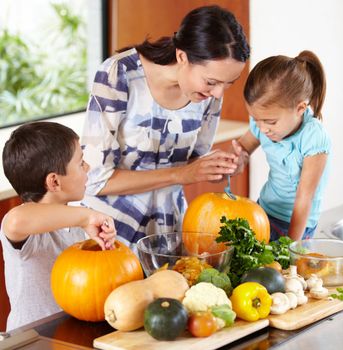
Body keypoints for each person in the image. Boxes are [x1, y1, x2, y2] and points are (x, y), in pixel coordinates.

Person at [81, 5, 250, 250]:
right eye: (212, 82)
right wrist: (180, 175)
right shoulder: (119, 74)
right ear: (182, 57)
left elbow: (193, 163)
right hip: (107, 234)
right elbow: (95, 180)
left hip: (166, 235)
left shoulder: (209, 94)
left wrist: (218, 167)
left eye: (228, 84)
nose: (218, 92)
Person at [0, 121, 116, 331]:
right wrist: (86, 217)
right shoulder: (29, 232)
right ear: (54, 182)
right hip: (31, 342)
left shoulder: (79, 217)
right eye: (81, 163)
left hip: (70, 334)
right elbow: (15, 220)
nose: (87, 167)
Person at [231, 50, 331, 241]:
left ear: (300, 109)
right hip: (264, 211)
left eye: (270, 122)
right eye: (255, 119)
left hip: (297, 224)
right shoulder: (263, 124)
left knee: (286, 270)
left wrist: (290, 245)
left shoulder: (314, 138)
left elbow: (304, 198)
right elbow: (244, 146)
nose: (262, 128)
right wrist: (239, 157)